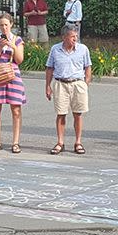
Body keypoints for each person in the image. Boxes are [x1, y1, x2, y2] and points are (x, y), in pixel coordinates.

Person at [45, 24, 92, 155]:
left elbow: (88, 66)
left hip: (77, 83)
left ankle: (78, 142)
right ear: (64, 37)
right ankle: (60, 142)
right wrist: (48, 86)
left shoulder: (83, 49)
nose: (75, 39)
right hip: (60, 84)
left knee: (78, 114)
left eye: (76, 36)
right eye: (72, 36)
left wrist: (85, 83)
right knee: (61, 114)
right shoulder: (55, 49)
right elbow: (49, 68)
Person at [0, 13, 26, 154]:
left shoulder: (17, 39)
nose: (4, 28)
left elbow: (20, 60)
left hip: (12, 74)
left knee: (16, 110)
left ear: (11, 25)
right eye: (1, 25)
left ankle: (15, 142)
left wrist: (13, 47)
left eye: (6, 25)